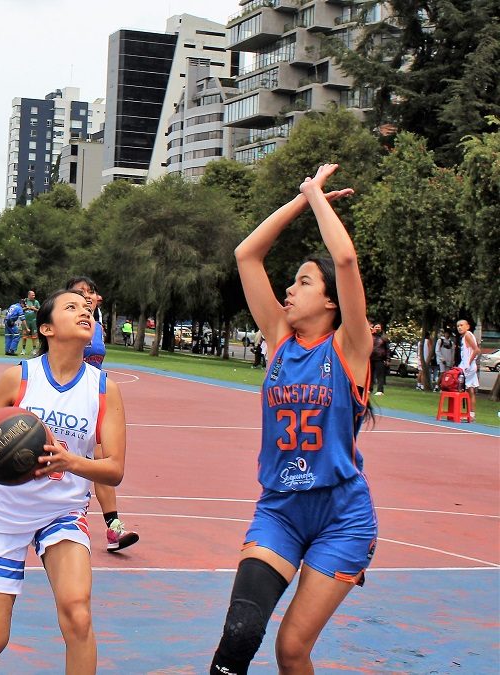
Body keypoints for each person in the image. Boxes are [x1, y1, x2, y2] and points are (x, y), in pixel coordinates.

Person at [210, 164, 377, 674]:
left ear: (329, 301)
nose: (289, 289)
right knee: (240, 634)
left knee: (291, 650)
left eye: (303, 282)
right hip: (280, 509)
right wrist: (300, 202)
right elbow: (247, 253)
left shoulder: (350, 347)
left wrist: (316, 193)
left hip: (341, 519)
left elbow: (344, 258)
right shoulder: (279, 340)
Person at [0, 289, 127, 674]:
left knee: (78, 614)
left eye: (87, 308)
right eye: (72, 307)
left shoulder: (104, 389)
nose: (85, 311)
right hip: (5, 513)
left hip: (63, 512)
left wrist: (71, 461)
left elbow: (115, 468)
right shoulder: (17, 379)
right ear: (47, 329)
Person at [65, 275, 140, 553]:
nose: (87, 296)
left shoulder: (95, 325)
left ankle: (113, 529)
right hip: (65, 398)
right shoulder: (69, 324)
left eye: (90, 292)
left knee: (102, 462)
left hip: (93, 399)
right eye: (79, 292)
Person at [456, 319, 481, 423]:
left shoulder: (467, 335)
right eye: (458, 326)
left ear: (467, 326)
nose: (459, 327)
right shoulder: (466, 336)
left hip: (467, 366)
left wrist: (468, 363)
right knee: (470, 390)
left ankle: (461, 413)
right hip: (469, 366)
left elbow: (477, 350)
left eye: (461, 325)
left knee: (460, 388)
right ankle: (471, 414)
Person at [18, 290, 41, 356]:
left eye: (34, 295)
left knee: (34, 336)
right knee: (24, 336)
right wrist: (26, 308)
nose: (34, 296)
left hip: (33, 321)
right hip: (26, 321)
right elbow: (19, 310)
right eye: (32, 295)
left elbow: (40, 310)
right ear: (28, 295)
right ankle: (23, 350)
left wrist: (34, 309)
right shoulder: (24, 301)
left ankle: (34, 350)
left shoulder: (36, 302)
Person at [369, 322, 388, 396]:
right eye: (376, 327)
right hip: (370, 358)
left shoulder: (384, 338)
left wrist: (387, 359)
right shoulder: (370, 336)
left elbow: (387, 349)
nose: (377, 328)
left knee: (380, 375)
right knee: (370, 375)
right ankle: (369, 389)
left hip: (380, 359)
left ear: (381, 328)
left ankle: (380, 390)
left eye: (378, 327)